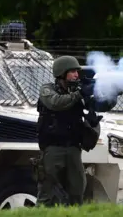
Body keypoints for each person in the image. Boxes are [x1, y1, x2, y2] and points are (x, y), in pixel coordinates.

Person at [34, 55, 96, 207]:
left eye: (77, 71)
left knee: (77, 191)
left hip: (74, 148)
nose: (76, 75)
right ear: (62, 73)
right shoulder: (48, 89)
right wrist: (79, 94)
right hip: (53, 148)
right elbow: (55, 103)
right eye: (73, 71)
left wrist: (111, 93)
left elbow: (100, 105)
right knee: (48, 193)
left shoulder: (80, 90)